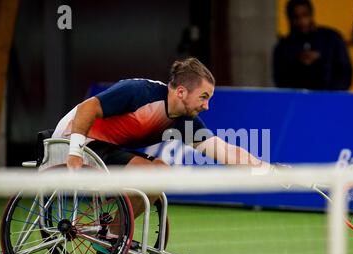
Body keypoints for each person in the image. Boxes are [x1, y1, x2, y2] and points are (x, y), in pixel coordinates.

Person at [52, 57, 270, 239]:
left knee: (160, 171)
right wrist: (74, 152)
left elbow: (225, 151)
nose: (207, 106)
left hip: (106, 149)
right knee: (156, 172)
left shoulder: (184, 120)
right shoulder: (139, 92)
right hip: (74, 142)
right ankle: (111, 237)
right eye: (203, 97)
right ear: (182, 92)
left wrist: (266, 170)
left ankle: (112, 234)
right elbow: (87, 108)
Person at [273, 0, 353, 91]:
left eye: (304, 15)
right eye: (295, 17)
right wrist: (298, 63)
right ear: (289, 19)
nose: (301, 21)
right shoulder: (283, 47)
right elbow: (280, 81)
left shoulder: (331, 38)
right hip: (298, 100)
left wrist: (321, 61)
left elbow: (345, 73)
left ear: (311, 15)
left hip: (330, 99)